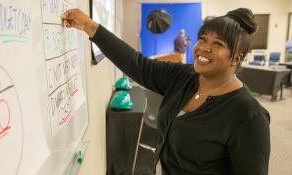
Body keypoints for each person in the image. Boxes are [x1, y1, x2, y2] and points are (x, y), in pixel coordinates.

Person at [62, 8, 270, 175]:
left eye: (217, 44)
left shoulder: (249, 116)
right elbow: (137, 65)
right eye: (202, 39)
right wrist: (90, 27)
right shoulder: (185, 77)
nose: (203, 48)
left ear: (236, 58)